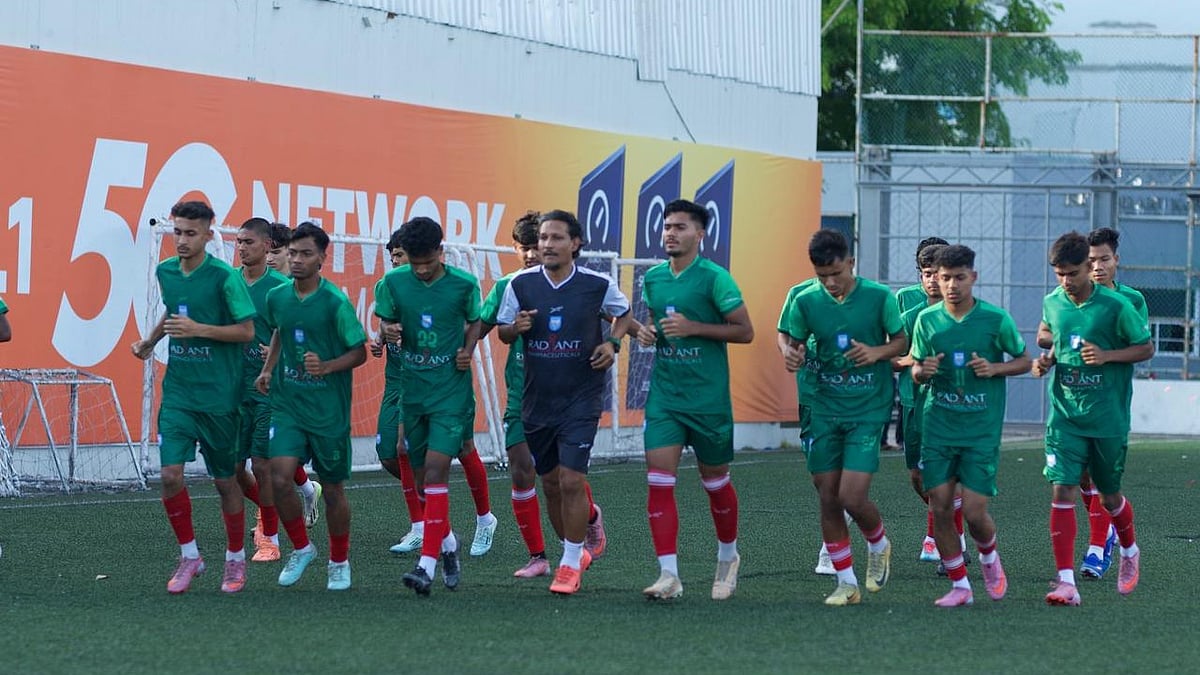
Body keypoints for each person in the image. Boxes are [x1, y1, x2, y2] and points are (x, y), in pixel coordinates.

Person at [497, 209, 633, 595]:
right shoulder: (520, 285)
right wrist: (515, 329)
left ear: (575, 244)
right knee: (552, 485)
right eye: (542, 239)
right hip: (537, 400)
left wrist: (613, 343)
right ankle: (576, 544)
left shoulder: (596, 284)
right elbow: (504, 332)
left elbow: (623, 315)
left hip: (581, 398)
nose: (546, 245)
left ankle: (570, 564)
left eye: (556, 238)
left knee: (572, 480)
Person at [131, 200, 256, 594]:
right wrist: (150, 342)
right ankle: (190, 556)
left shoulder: (224, 277)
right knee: (169, 475)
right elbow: (172, 314)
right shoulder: (166, 271)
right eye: (177, 232)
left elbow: (246, 332)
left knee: (224, 483)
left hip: (219, 397)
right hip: (180, 393)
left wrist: (199, 329)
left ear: (207, 234)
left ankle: (235, 561)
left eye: (190, 233)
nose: (181, 240)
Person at [634, 200, 754, 601]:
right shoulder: (652, 278)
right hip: (666, 396)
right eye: (667, 226)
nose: (670, 233)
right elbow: (660, 324)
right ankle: (668, 574)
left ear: (700, 234)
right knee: (658, 480)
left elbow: (745, 332)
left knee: (715, 482)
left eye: (680, 227)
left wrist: (695, 328)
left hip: (708, 399)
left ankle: (727, 557)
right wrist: (650, 333)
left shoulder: (716, 279)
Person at [480, 211, 608, 579]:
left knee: (563, 478)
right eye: (527, 248)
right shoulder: (511, 286)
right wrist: (464, 348)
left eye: (543, 244)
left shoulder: (579, 284)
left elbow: (618, 314)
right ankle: (539, 556)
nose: (535, 254)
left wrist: (612, 343)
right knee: (523, 472)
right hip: (525, 395)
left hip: (570, 395)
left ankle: (589, 519)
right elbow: (488, 325)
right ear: (519, 249)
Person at [782, 229, 906, 606]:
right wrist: (791, 353)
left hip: (868, 407)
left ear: (851, 261)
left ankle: (879, 542)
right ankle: (846, 583)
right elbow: (788, 337)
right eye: (822, 276)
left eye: (837, 273)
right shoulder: (805, 300)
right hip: (823, 406)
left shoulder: (879, 297)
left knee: (851, 495)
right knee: (827, 495)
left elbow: (902, 342)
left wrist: (876, 352)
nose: (831, 282)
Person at [1033, 231, 1152, 606]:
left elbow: (1146, 346)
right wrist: (1046, 359)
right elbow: (1048, 335)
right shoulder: (1053, 302)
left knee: (1109, 494)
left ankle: (1129, 550)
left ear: (1091, 265)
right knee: (1062, 489)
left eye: (1073, 272)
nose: (1066, 281)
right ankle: (1067, 581)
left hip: (1107, 415)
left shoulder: (1119, 305)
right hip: (1065, 415)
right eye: (1059, 274)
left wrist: (1106, 357)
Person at [910, 244, 1030, 606]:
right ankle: (960, 586)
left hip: (980, 429)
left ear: (973, 278)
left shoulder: (995, 320)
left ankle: (989, 558)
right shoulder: (926, 321)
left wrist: (995, 368)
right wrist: (921, 371)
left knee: (975, 513)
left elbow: (1024, 360)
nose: (951, 285)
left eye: (959, 278)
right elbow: (915, 369)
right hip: (939, 427)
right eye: (945, 278)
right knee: (941, 506)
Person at [256, 222, 368, 591]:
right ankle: (302, 548)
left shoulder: (335, 302)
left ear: (322, 257)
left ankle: (339, 561)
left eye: (306, 254)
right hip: (288, 404)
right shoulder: (278, 297)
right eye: (293, 253)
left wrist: (328, 366)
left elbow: (359, 352)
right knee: (277, 475)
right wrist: (269, 368)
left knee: (334, 490)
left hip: (327, 410)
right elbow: (278, 333)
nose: (298, 259)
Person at [375, 217, 484, 596]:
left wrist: (467, 350)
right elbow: (386, 324)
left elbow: (476, 321)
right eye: (415, 262)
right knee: (420, 477)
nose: (420, 269)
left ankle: (426, 564)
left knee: (437, 472)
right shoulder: (392, 283)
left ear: (441, 251)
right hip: (413, 391)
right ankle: (449, 544)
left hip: (451, 394)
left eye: (427, 261)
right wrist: (386, 331)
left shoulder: (464, 284)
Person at [1075, 227, 1148, 579]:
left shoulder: (1131, 300)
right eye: (1090, 261)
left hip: (1111, 401)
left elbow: (1142, 347)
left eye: (1104, 259)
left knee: (1102, 479)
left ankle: (1097, 547)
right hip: (1073, 401)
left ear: (1116, 260)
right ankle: (1110, 531)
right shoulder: (1069, 297)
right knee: (1080, 477)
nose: (1097, 266)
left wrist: (1106, 356)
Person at [894, 243, 967, 571]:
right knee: (917, 476)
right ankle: (944, 521)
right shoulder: (908, 310)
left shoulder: (967, 313)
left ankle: (952, 537)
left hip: (949, 406)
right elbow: (895, 351)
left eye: (940, 274)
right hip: (913, 402)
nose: (935, 281)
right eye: (928, 274)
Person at [233, 218, 293, 563]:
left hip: (269, 390)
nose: (242, 248)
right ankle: (275, 510)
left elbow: (294, 335)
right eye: (239, 242)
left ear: (267, 246)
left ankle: (268, 538)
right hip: (232, 389)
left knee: (263, 465)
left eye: (249, 242)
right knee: (232, 471)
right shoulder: (228, 283)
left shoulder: (281, 288)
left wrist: (273, 359)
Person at [259, 221, 324, 527]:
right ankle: (307, 490)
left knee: (274, 457)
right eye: (267, 251)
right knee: (265, 457)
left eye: (277, 251)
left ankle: (269, 527)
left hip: (301, 384)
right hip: (264, 379)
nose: (270, 257)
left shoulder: (305, 288)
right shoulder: (262, 285)